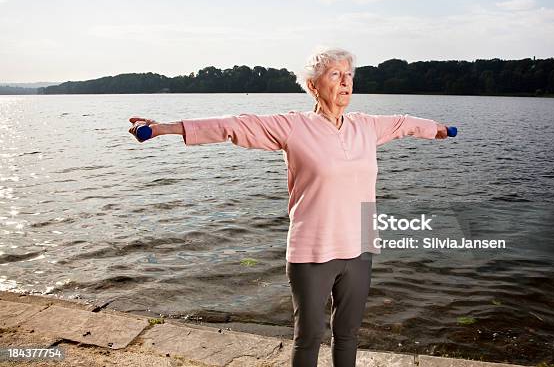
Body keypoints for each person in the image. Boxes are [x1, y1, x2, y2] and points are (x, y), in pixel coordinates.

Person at [128, 47, 450, 367]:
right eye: (335, 75)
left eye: (349, 75)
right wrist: (163, 128)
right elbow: (234, 126)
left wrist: (437, 129)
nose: (345, 82)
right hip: (312, 250)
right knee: (309, 336)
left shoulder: (365, 126)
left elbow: (404, 123)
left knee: (349, 333)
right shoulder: (294, 126)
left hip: (362, 244)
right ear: (313, 85)